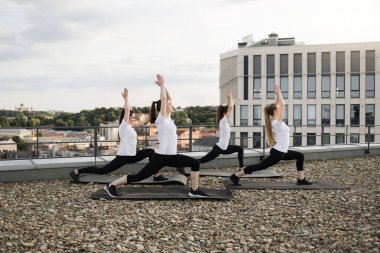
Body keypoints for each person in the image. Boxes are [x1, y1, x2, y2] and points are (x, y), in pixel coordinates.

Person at [104, 74, 208, 198]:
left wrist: (165, 86)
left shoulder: (168, 118)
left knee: (195, 163)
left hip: (172, 156)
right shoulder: (162, 119)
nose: (171, 105)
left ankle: (194, 190)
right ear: (163, 108)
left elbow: (168, 99)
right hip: (162, 157)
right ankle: (111, 186)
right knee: (138, 177)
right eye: (169, 105)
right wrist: (162, 85)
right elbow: (164, 100)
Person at [70, 88, 167, 182]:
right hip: (123, 156)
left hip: (132, 155)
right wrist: (126, 99)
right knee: (103, 170)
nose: (134, 118)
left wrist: (128, 102)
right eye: (132, 117)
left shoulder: (129, 127)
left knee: (151, 152)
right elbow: (128, 110)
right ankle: (77, 171)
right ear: (127, 117)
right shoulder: (124, 126)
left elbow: (130, 109)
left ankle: (156, 175)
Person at [229, 84, 312, 186]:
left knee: (300, 156)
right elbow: (282, 105)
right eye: (278, 109)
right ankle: (236, 175)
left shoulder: (275, 120)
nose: (280, 109)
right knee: (260, 166)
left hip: (281, 150)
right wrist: (279, 93)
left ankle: (301, 179)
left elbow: (278, 104)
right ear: (275, 111)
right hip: (278, 152)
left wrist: (277, 95)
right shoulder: (276, 122)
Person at [198, 90, 244, 168]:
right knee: (201, 160)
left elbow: (230, 109)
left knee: (240, 149)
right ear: (224, 113)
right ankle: (184, 164)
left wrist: (229, 99)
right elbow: (231, 108)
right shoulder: (223, 121)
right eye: (228, 113)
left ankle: (241, 167)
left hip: (224, 148)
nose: (230, 114)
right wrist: (230, 98)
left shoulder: (224, 121)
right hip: (219, 148)